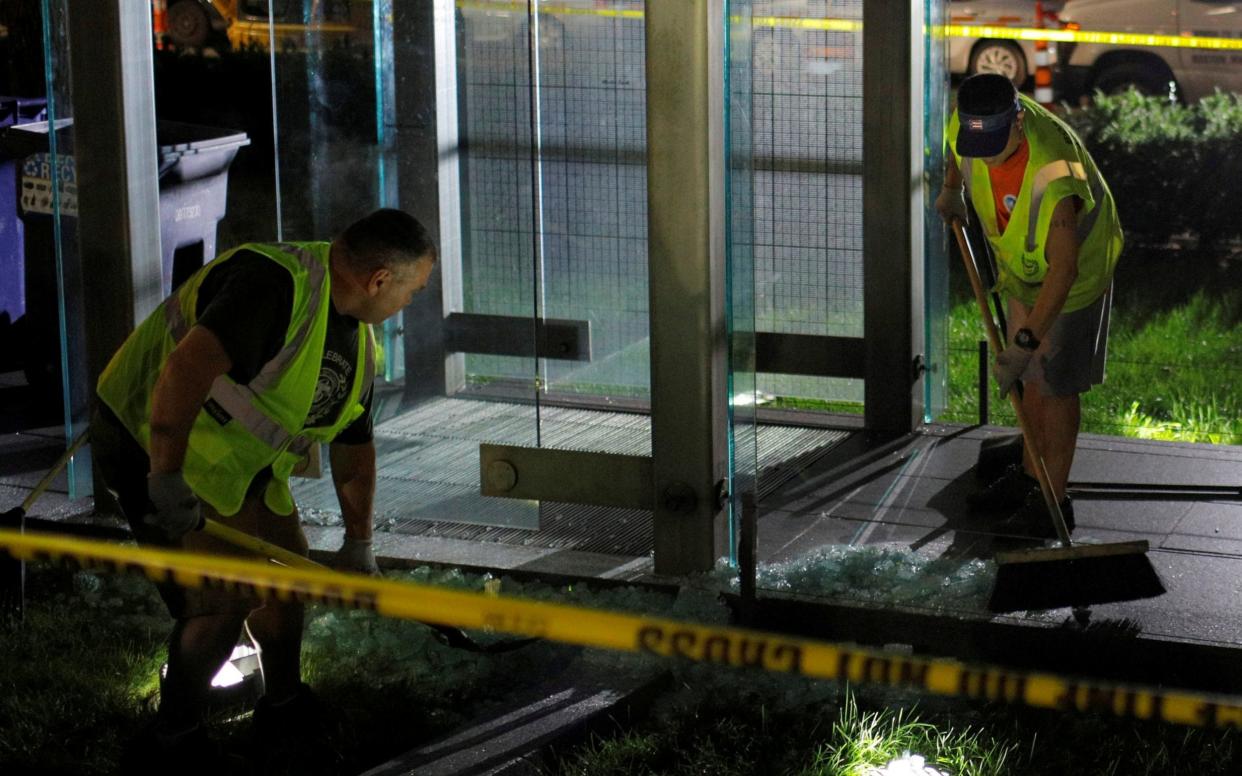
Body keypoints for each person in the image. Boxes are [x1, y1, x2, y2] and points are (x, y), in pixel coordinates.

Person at [92, 208, 437, 774]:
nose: (411, 302)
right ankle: (171, 744)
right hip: (150, 438)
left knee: (287, 577)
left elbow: (355, 445)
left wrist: (359, 545)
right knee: (222, 599)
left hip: (236, 460)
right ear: (379, 280)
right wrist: (165, 476)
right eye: (414, 288)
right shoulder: (275, 286)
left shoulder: (359, 345)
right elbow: (183, 370)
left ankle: (283, 708)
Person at [935, 73, 1123, 534]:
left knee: (1055, 384)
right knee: (1033, 379)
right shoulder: (968, 126)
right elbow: (956, 150)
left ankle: (1052, 502)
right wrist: (953, 187)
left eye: (996, 143)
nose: (985, 153)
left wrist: (1022, 343)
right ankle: (1026, 477)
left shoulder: (1053, 170)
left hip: (1074, 275)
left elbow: (1065, 272)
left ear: (1019, 120)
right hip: (1021, 267)